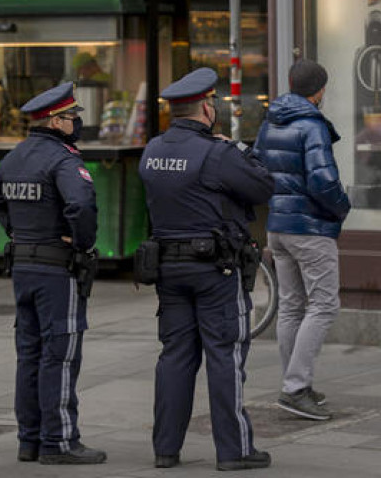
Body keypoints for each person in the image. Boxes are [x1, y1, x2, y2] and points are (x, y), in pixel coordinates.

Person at [138, 67, 274, 471]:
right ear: (205, 108)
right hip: (216, 271)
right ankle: (235, 451)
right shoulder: (216, 154)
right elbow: (264, 186)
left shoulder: (152, 151)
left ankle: (166, 449)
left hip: (168, 268)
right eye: (212, 102)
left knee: (175, 357)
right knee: (224, 356)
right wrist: (239, 149)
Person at [0, 82, 106, 464]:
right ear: (56, 120)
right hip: (57, 268)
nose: (77, 124)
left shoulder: (15, 157)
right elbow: (82, 204)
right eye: (73, 118)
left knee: (30, 353)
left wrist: (18, 232)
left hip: (23, 265)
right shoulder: (64, 159)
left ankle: (30, 439)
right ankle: (60, 442)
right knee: (60, 353)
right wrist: (81, 243)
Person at [253, 59, 351, 421]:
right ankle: (296, 388)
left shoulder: (271, 121)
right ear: (320, 90)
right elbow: (323, 181)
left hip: (278, 226)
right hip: (310, 228)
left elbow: (257, 166)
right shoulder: (312, 125)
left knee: (292, 306)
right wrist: (343, 207)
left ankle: (297, 384)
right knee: (324, 305)